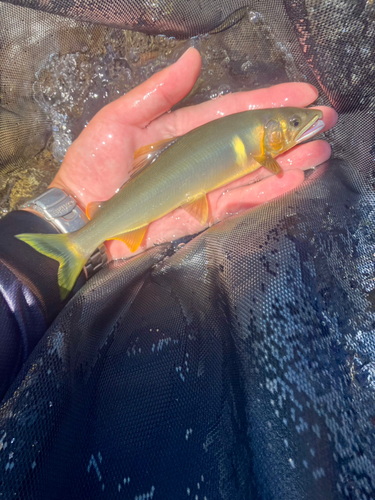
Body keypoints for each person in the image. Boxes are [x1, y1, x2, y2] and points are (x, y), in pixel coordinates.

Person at [0, 47, 337, 398]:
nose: (301, 125)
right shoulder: (262, 150)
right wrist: (74, 231)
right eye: (293, 124)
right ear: (270, 132)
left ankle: (74, 245)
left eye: (294, 122)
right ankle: (75, 246)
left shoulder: (262, 143)